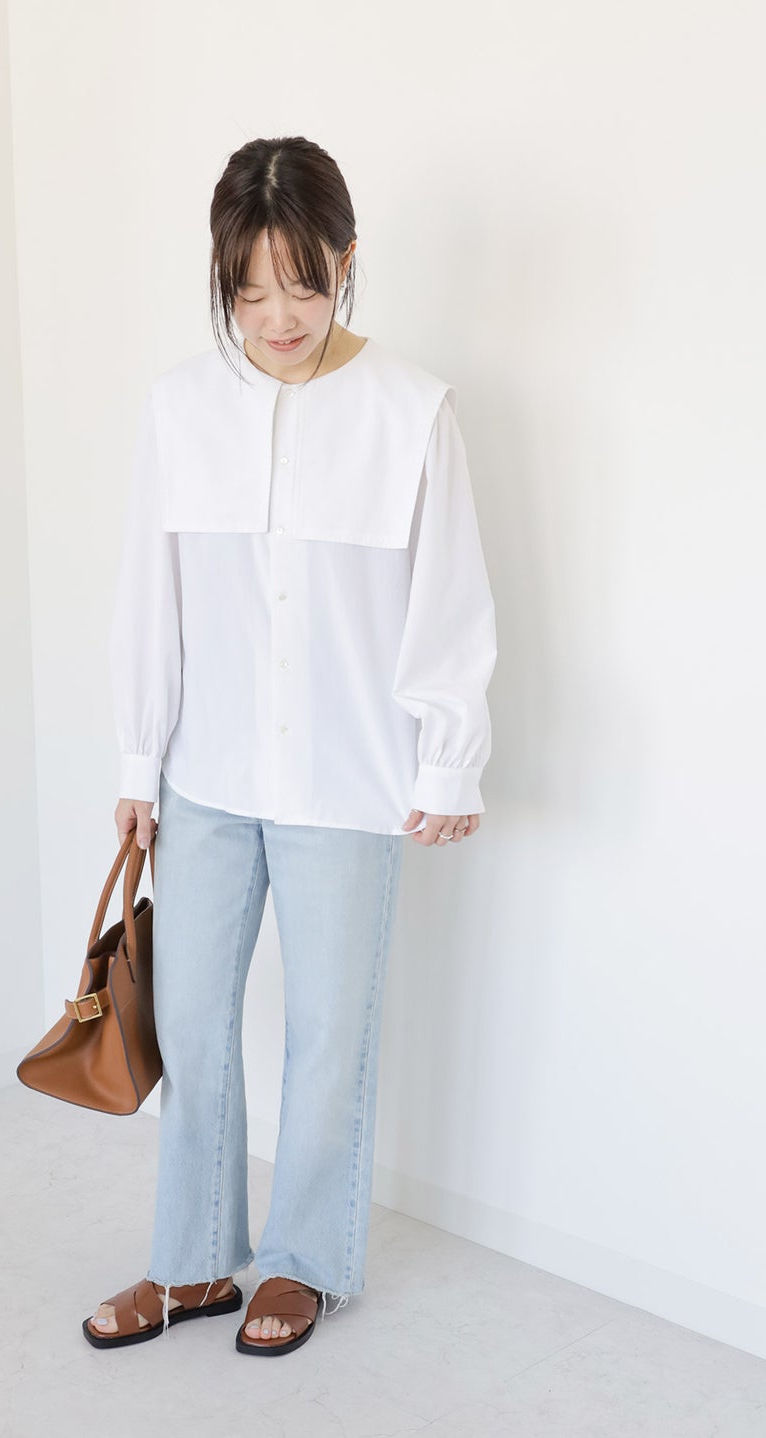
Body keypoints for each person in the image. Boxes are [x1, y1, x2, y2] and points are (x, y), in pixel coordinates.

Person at [86, 135, 497, 1355]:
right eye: (250, 290)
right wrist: (137, 763)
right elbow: (150, 594)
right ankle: (193, 1265)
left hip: (347, 781)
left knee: (328, 1040)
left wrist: (449, 758)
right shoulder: (180, 408)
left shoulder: (412, 412)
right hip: (205, 778)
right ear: (222, 278)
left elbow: (449, 598)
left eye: (305, 286)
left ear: (347, 261)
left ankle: (304, 1264)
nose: (278, 318)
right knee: (192, 1027)